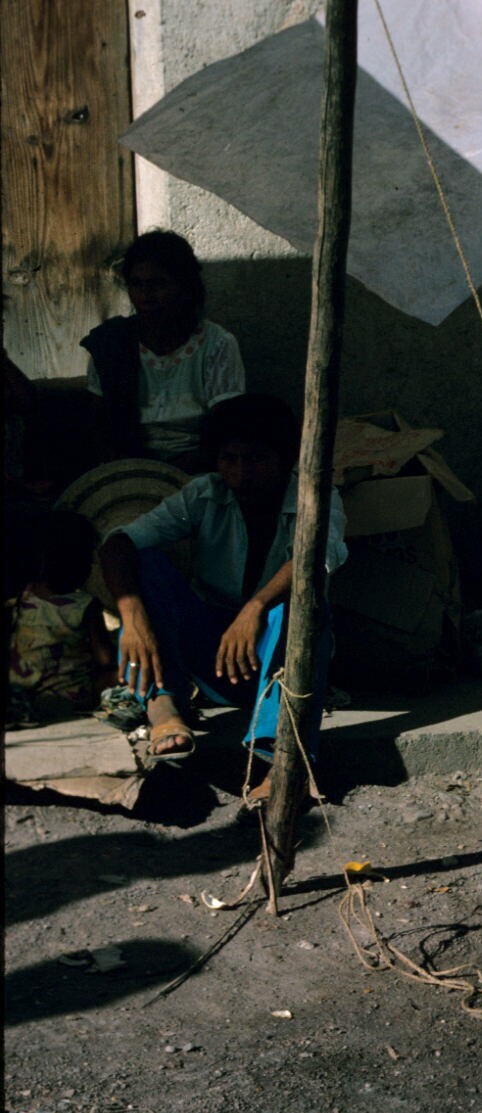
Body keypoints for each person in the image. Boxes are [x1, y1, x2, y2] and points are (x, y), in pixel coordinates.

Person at [98, 394, 344, 782]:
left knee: (303, 603)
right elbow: (119, 542)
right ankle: (164, 707)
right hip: (213, 656)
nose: (242, 473)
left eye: (257, 459)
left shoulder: (316, 497)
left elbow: (316, 559)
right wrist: (132, 617)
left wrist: (255, 608)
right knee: (147, 563)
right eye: (230, 459)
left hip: (278, 662)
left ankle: (275, 754)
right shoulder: (204, 494)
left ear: (285, 459)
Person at [82, 230, 246, 470]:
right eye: (136, 284)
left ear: (184, 287)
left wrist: (176, 471)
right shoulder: (112, 342)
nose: (145, 296)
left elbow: (225, 431)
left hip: (196, 467)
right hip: (131, 466)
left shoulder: (217, 344)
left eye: (157, 284)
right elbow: (97, 426)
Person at [8, 511, 113, 725]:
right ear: (80, 562)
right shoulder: (85, 605)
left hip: (22, 698)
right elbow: (105, 659)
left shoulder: (21, 598)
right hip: (70, 700)